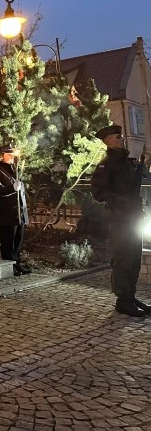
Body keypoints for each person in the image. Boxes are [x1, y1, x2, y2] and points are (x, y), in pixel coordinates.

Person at [90, 124, 151, 317]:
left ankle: (130, 296)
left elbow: (143, 179)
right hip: (119, 219)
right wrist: (120, 200)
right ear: (107, 141)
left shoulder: (128, 162)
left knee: (134, 259)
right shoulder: (106, 164)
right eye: (118, 137)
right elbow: (98, 192)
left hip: (133, 217)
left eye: (121, 136)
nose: (122, 138)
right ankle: (122, 300)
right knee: (123, 259)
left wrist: (144, 165)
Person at [0, 144, 31, 276]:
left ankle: (16, 264)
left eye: (13, 154)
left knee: (18, 241)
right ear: (1, 155)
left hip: (19, 213)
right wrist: (12, 188)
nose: (12, 157)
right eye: (9, 154)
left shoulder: (15, 171)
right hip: (7, 213)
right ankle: (9, 266)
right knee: (8, 241)